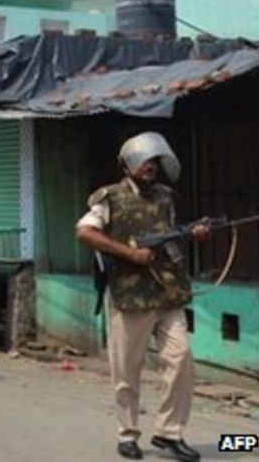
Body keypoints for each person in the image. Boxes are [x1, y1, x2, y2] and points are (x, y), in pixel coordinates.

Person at [76, 132, 206, 462]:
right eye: (145, 160)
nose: (151, 167)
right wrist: (129, 255)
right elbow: (85, 231)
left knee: (181, 361)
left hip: (167, 293)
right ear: (128, 163)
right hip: (130, 296)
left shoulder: (165, 196)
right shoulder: (110, 197)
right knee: (127, 371)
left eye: (155, 161)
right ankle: (128, 434)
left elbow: (171, 237)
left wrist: (194, 233)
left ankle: (169, 433)